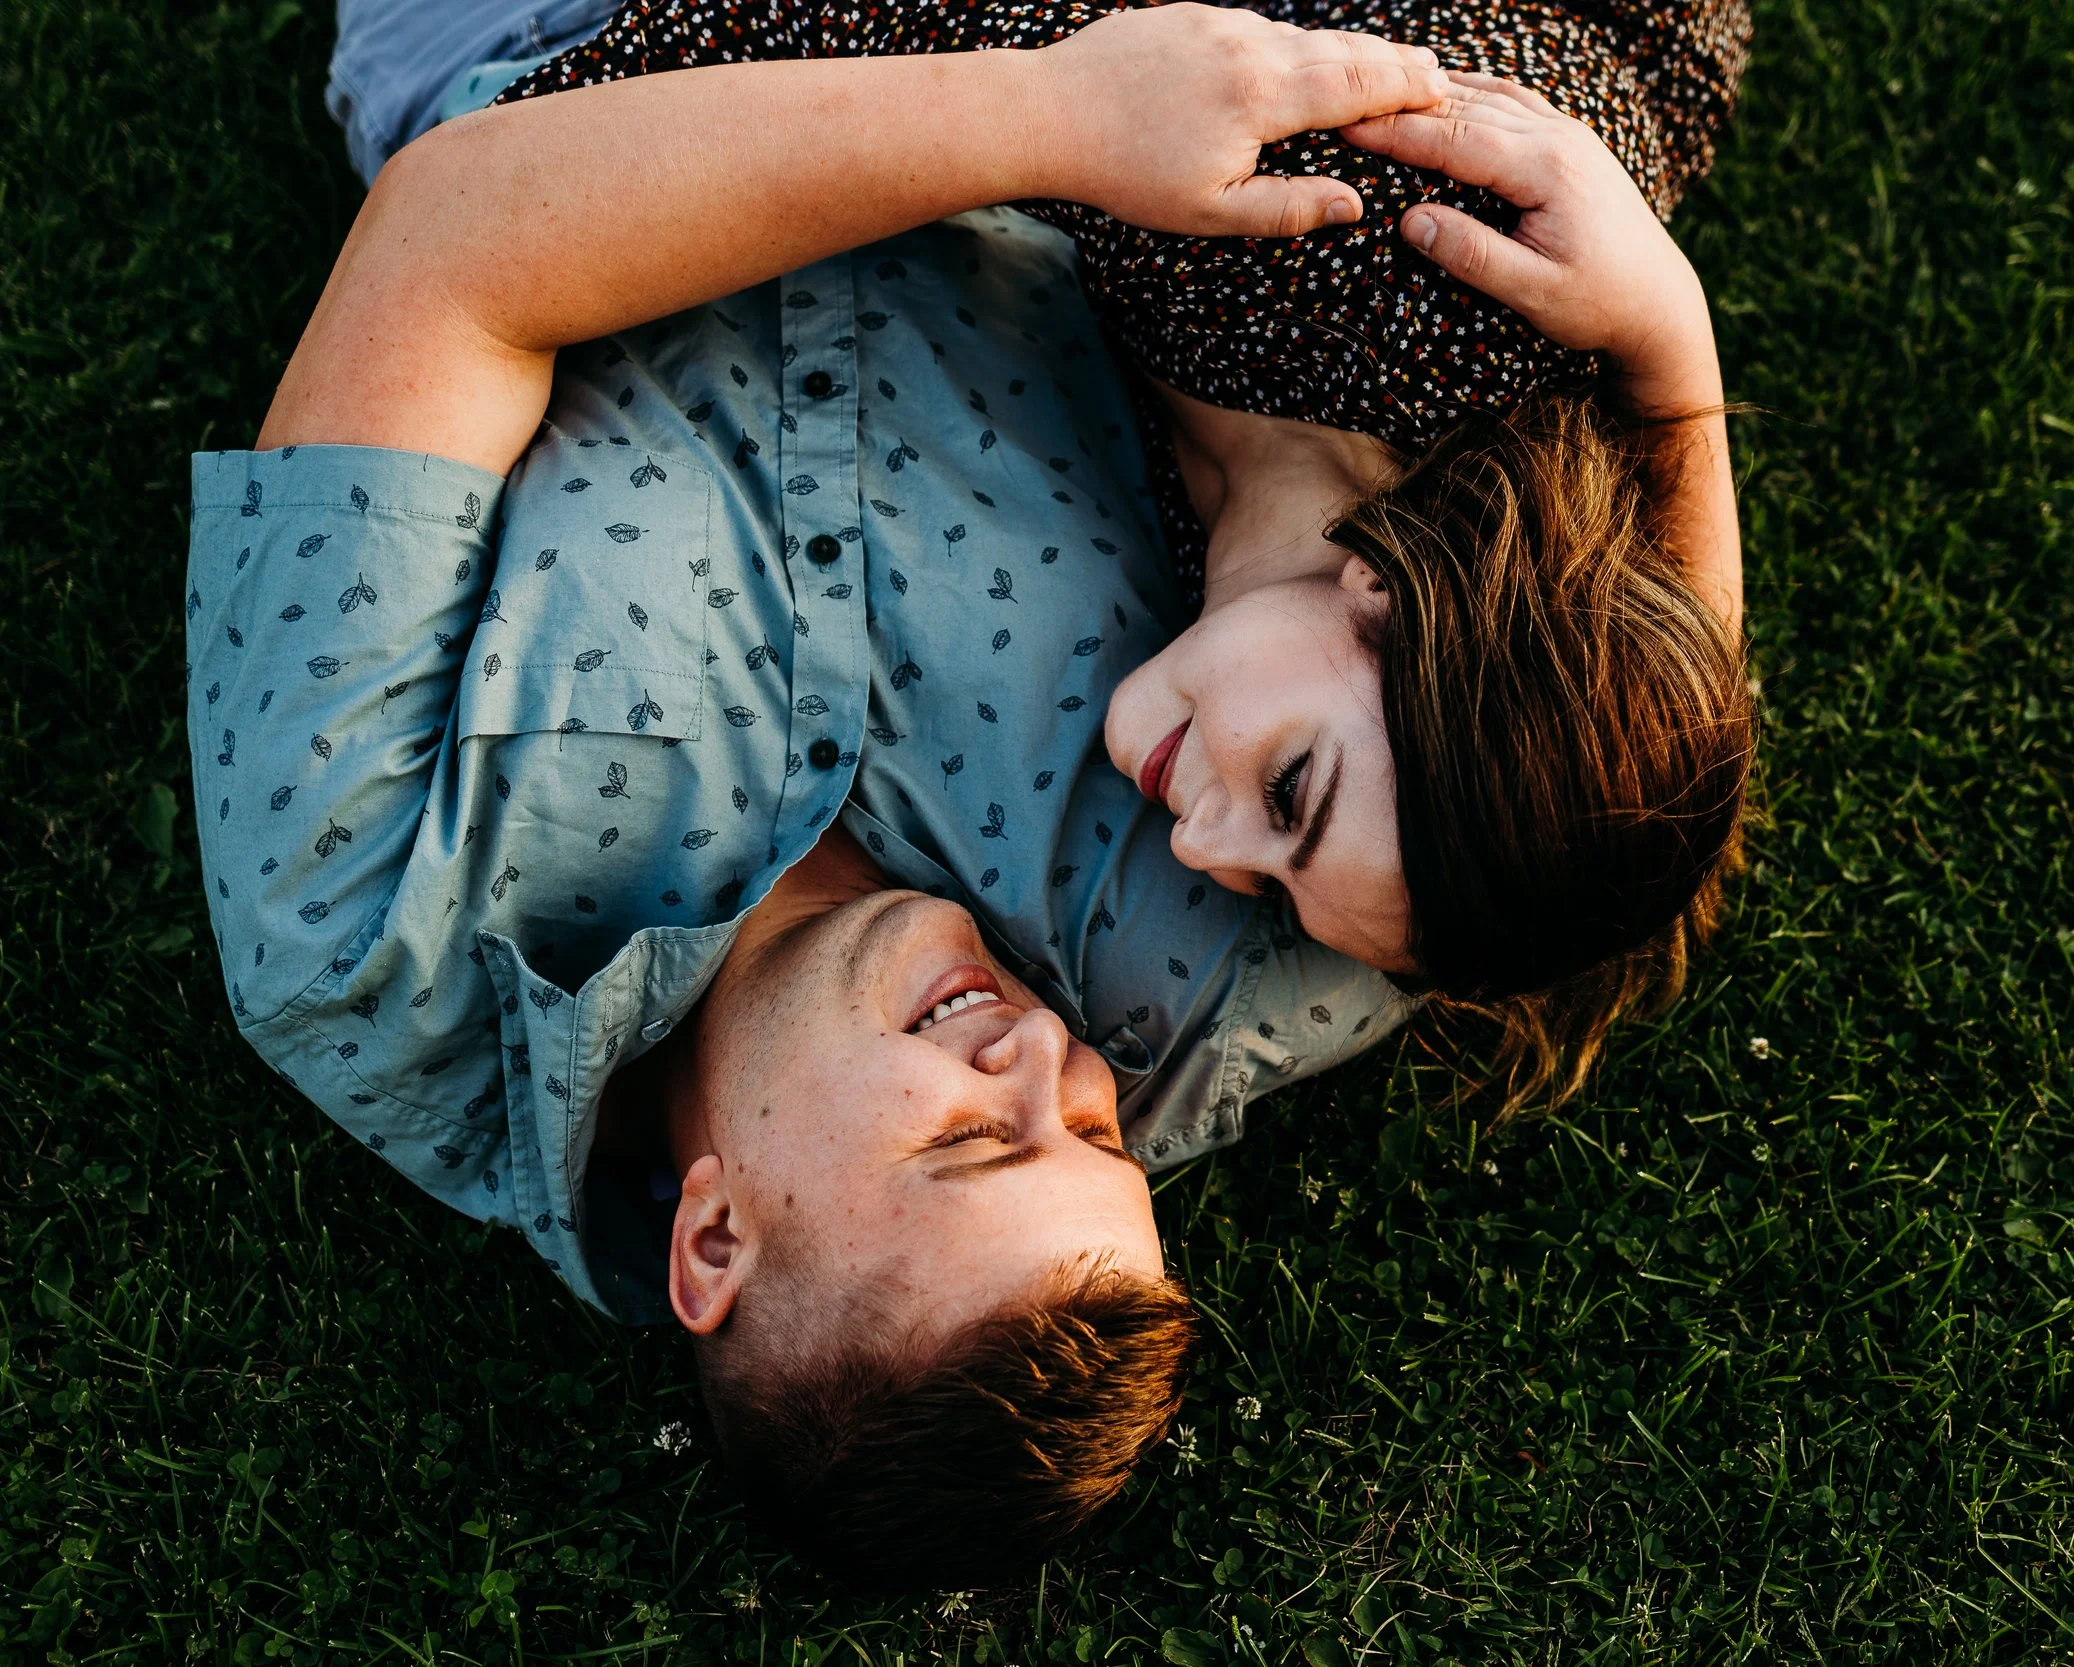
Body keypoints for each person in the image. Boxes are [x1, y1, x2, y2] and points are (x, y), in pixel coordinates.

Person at [188, 3, 1447, 1582]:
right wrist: (1674, 380)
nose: (1041, 1054)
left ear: (714, 1235)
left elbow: (452, 247)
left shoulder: (363, 922)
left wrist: (1051, 110)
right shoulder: (1216, 943)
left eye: (973, 1142)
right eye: (1094, 1139)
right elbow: (1596, 800)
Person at [499, 0, 1760, 1103]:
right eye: (1285, 796)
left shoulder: (1305, 563)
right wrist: (517, 171)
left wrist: (1674, 354)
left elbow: (1636, 759)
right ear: (1388, 599)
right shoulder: (1371, 264)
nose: (1205, 852)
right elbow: (884, 28)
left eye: (1266, 891)